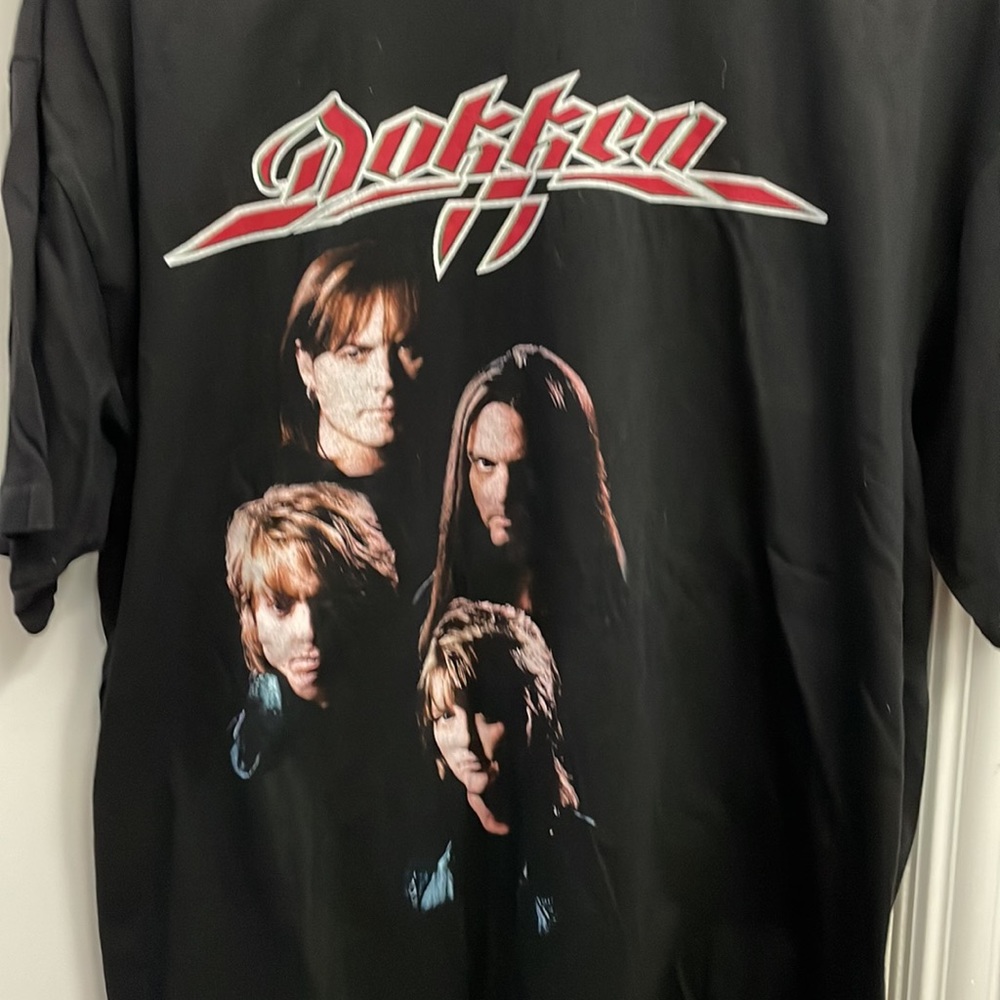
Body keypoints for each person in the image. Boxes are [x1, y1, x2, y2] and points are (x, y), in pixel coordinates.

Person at [413, 597, 629, 1000]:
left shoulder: (594, 860)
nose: (464, 739)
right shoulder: (420, 872)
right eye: (446, 716)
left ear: (531, 713)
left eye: (485, 711)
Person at [419, 343, 627, 656]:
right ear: (463, 468)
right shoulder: (428, 609)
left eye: (524, 467)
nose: (503, 493)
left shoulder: (620, 611)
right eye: (485, 464)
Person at [224, 480, 398, 777]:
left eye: (325, 602)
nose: (308, 631)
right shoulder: (249, 750)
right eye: (281, 605)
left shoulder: (395, 707)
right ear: (249, 613)